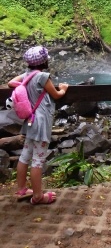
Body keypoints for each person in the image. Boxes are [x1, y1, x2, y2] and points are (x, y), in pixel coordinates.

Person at [8, 45, 69, 205]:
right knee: (38, 161)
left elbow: (10, 83)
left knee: (24, 156)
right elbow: (56, 95)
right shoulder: (42, 76)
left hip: (29, 121)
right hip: (41, 123)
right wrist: (63, 89)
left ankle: (21, 190)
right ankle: (38, 196)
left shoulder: (27, 74)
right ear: (44, 61)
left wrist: (22, 87)